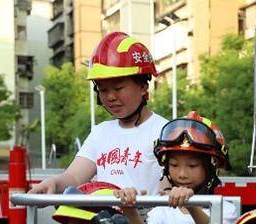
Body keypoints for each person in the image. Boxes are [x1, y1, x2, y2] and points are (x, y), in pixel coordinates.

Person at [29, 32, 168, 196]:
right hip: (105, 221)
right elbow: (74, 177)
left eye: (118, 88)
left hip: (147, 222)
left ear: (143, 87)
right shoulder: (100, 133)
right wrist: (52, 183)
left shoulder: (166, 132)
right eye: (102, 89)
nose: (110, 97)